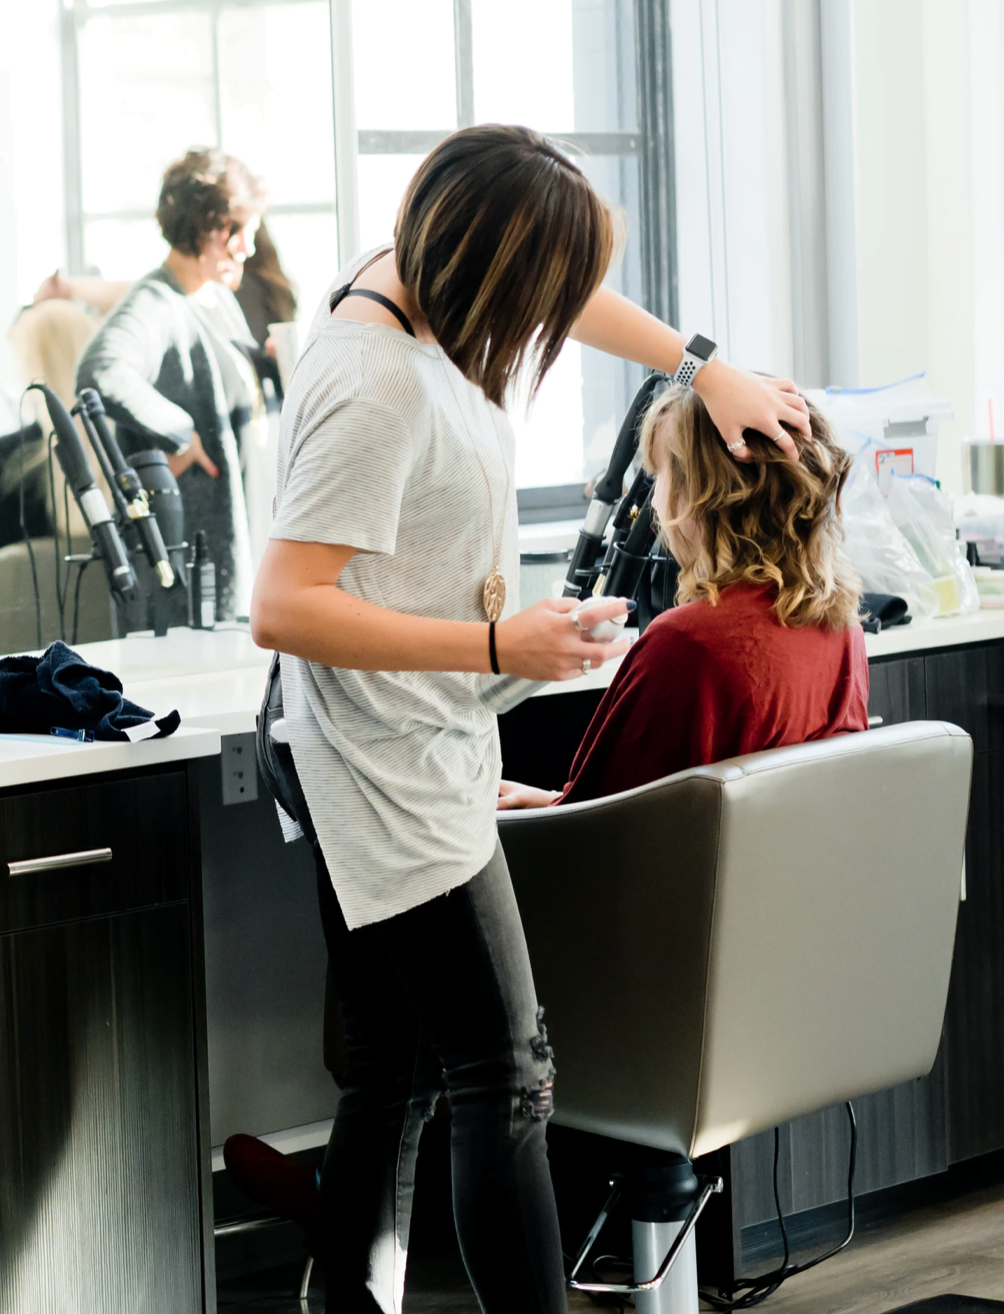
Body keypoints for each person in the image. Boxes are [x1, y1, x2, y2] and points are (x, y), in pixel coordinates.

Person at [249, 123, 810, 1314]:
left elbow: (577, 300)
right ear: (484, 270)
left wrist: (698, 365)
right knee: (504, 1074)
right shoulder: (377, 383)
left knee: (395, 1073)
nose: (554, 323)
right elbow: (284, 607)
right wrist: (500, 647)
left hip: (419, 732)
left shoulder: (401, 278)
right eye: (541, 296)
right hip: (385, 759)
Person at [498, 387, 869, 812]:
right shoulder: (843, 630)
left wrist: (550, 810)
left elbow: (604, 829)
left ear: (702, 495)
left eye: (660, 477)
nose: (654, 500)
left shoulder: (687, 643)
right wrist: (552, 802)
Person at [75, 148, 271, 621]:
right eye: (235, 232)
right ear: (205, 228)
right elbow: (100, 372)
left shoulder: (216, 297)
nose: (247, 247)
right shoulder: (155, 304)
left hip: (239, 529)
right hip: (190, 548)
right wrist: (181, 431)